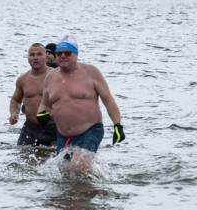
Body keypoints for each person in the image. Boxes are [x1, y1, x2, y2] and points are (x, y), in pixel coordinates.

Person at [37, 35, 124, 172]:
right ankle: (94, 188)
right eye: (59, 53)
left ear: (76, 54)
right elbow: (45, 104)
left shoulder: (91, 72)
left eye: (68, 53)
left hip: (90, 131)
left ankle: (89, 188)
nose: (63, 56)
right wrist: (41, 113)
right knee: (65, 175)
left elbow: (108, 99)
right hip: (63, 135)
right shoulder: (51, 77)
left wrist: (117, 125)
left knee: (79, 166)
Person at [9, 42, 57, 146]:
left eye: (39, 54)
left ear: (46, 57)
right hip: (30, 129)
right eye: (32, 55)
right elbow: (16, 100)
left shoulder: (57, 76)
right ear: (28, 58)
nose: (35, 58)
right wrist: (14, 113)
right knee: (20, 158)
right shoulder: (23, 79)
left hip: (55, 128)